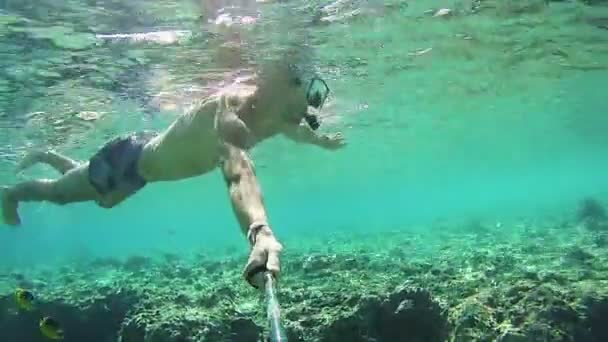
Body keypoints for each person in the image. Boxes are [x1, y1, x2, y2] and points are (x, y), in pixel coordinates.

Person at [1, 61, 346, 288]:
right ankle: (11, 193)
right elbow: (237, 168)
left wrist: (324, 143)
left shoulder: (277, 121)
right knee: (61, 195)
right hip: (130, 158)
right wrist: (260, 230)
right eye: (310, 91)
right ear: (280, 84)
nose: (313, 105)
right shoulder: (233, 106)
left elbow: (299, 132)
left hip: (141, 172)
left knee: (100, 197)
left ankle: (52, 159)